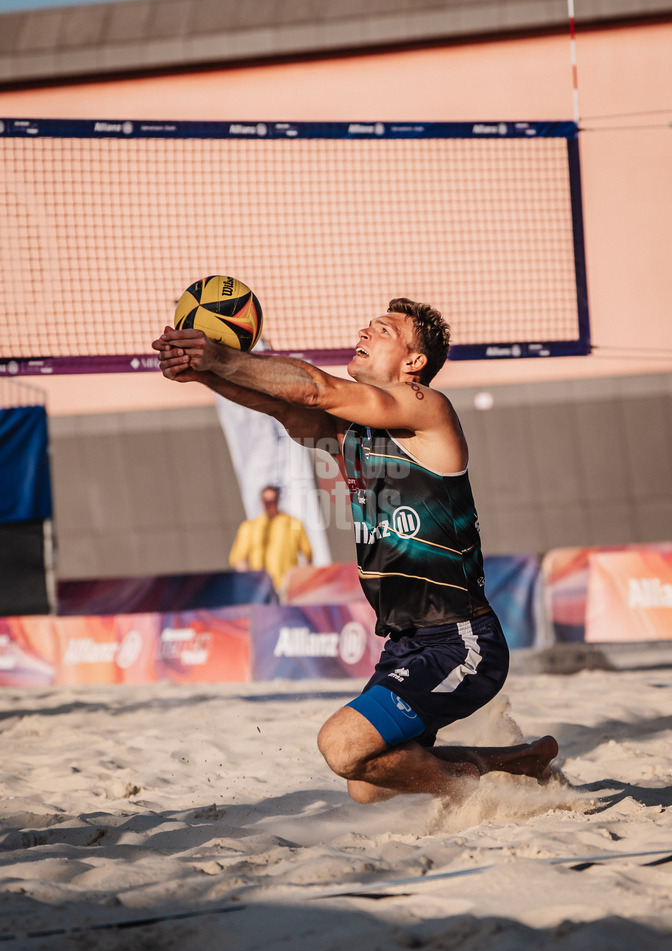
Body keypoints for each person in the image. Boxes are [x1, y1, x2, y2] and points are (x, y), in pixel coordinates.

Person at [152, 298, 558, 804]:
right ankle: (512, 766)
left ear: (413, 362)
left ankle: (478, 797)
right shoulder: (353, 431)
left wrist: (219, 358)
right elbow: (283, 404)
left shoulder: (426, 407)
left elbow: (315, 389)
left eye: (382, 330)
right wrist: (203, 374)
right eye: (368, 325)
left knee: (342, 744)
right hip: (405, 642)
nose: (364, 332)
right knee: (366, 783)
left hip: (461, 641)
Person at [229, 483, 313, 589]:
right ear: (261, 502)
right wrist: (251, 581)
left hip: (287, 586)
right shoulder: (249, 527)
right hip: (261, 587)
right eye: (266, 501)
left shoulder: (293, 523)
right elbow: (238, 559)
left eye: (272, 501)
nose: (269, 505)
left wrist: (302, 581)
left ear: (277, 501)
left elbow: (308, 555)